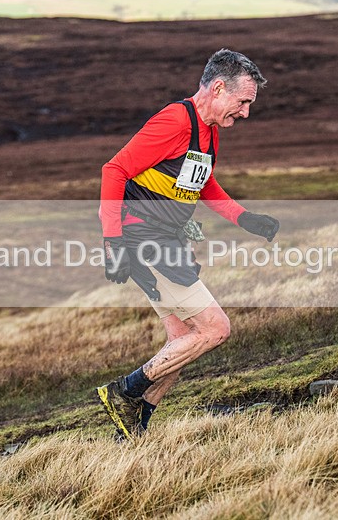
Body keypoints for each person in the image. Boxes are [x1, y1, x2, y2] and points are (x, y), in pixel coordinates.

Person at [96, 48, 280, 440]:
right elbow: (114, 171)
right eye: (243, 102)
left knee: (183, 340)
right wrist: (113, 245)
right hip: (143, 240)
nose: (246, 112)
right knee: (215, 329)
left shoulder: (208, 129)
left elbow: (202, 183)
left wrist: (245, 217)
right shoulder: (175, 121)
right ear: (217, 88)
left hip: (166, 240)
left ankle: (134, 427)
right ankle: (124, 391)